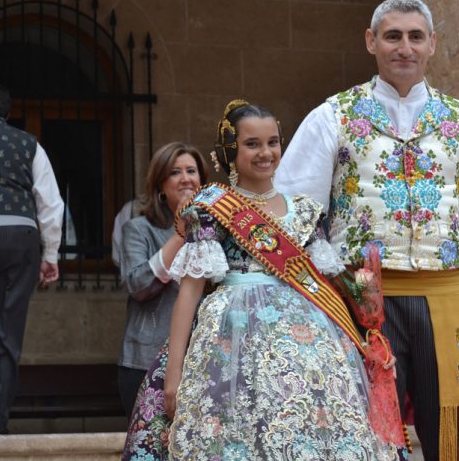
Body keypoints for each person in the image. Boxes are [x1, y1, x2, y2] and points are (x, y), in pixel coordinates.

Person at [274, 0, 459, 461]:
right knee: (370, 435)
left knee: (457, 439)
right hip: (364, 303)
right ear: (372, 42)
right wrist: (310, 305)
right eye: (393, 36)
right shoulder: (333, 116)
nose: (404, 47)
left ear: (433, 44)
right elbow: (293, 215)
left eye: (415, 37)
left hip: (449, 298)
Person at [122, 100, 401, 460]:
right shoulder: (211, 207)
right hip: (231, 345)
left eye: (273, 142)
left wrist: (368, 343)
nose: (265, 152)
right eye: (252, 144)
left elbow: (327, 288)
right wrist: (173, 376)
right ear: (230, 150)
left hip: (312, 352)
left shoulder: (304, 210)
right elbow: (188, 294)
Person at [0, 82, 64, 434]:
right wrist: (50, 254)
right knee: (7, 331)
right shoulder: (29, 144)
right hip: (20, 234)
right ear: (7, 113)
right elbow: (50, 202)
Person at [116, 142, 207, 418]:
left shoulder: (215, 229)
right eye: (175, 172)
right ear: (160, 185)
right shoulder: (138, 229)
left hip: (202, 360)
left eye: (191, 170)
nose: (185, 179)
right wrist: (179, 236)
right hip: (146, 360)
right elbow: (138, 285)